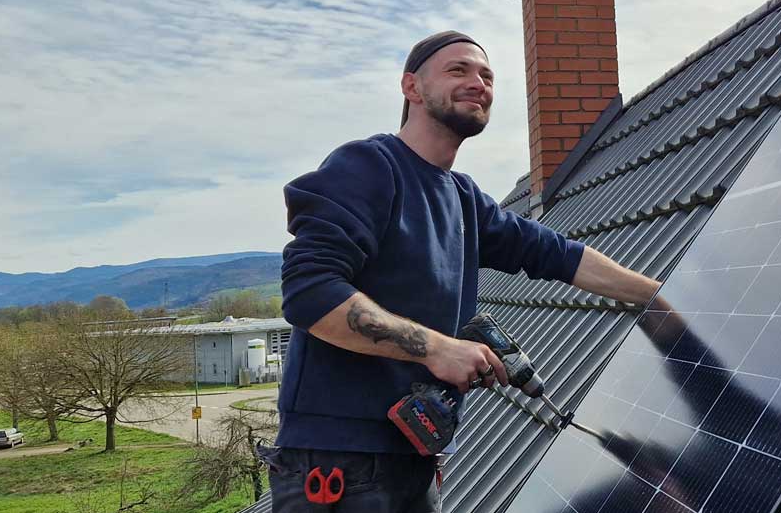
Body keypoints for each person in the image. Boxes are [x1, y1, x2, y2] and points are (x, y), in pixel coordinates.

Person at [263, 30, 663, 512]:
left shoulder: (462, 197)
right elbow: (310, 292)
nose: (478, 82)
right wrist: (436, 348)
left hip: (414, 459)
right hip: (338, 466)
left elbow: (554, 252)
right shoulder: (369, 166)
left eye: (486, 75)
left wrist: (658, 296)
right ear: (411, 87)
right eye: (458, 70)